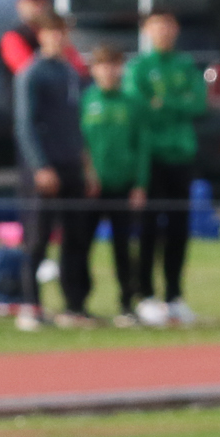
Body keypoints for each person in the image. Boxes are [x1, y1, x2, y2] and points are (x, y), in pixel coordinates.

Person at [125, 9, 204, 325]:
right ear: (146, 30)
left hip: (181, 154)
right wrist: (175, 104)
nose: (163, 31)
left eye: (168, 25)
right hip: (150, 157)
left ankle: (174, 295)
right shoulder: (139, 67)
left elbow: (199, 104)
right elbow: (139, 108)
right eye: (157, 26)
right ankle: (145, 295)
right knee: (147, 227)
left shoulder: (186, 65)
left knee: (178, 229)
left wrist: (164, 103)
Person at [14, 12, 89, 330]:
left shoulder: (70, 71)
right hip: (45, 166)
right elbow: (25, 124)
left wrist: (86, 163)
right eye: (53, 32)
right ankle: (30, 305)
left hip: (71, 163)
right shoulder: (31, 73)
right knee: (38, 238)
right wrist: (40, 165)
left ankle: (74, 305)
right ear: (41, 35)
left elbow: (77, 124)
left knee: (76, 236)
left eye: (63, 32)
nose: (59, 38)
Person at [80, 43, 149, 325]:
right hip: (91, 188)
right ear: (93, 70)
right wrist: (87, 174)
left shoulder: (132, 103)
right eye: (102, 66)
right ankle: (79, 303)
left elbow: (142, 145)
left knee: (123, 248)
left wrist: (140, 184)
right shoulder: (86, 100)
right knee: (83, 245)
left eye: (113, 65)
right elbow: (80, 142)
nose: (108, 72)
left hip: (123, 185)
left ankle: (127, 302)